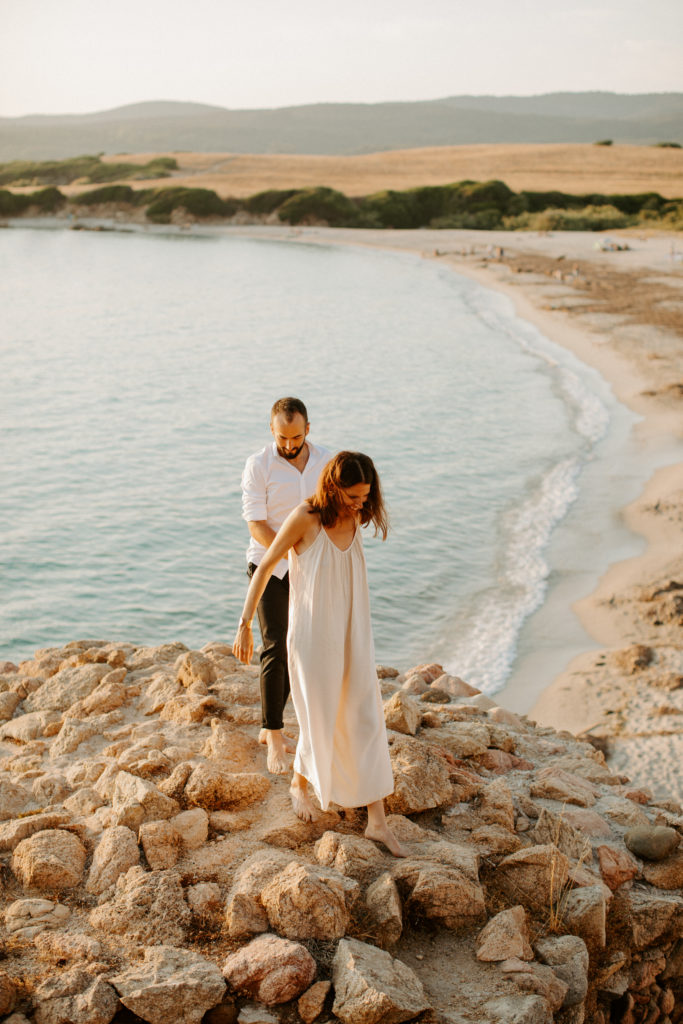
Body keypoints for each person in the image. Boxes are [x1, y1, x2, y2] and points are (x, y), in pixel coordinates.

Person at [233, 451, 406, 858]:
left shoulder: (356, 516)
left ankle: (377, 822)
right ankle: (299, 784)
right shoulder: (305, 519)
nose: (360, 504)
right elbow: (265, 566)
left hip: (353, 631)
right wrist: (244, 624)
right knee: (320, 715)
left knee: (365, 717)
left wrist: (359, 507)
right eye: (352, 496)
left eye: (365, 496)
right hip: (313, 636)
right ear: (333, 487)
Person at [241, 397, 330, 774]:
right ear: (272, 429)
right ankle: (273, 735)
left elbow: (337, 511)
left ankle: (270, 721)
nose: (289, 445)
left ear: (307, 429)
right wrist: (288, 548)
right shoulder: (258, 465)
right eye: (282, 437)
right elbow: (255, 524)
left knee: (301, 647)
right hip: (268, 565)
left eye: (295, 437)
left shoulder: (329, 461)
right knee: (276, 644)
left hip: (312, 566)